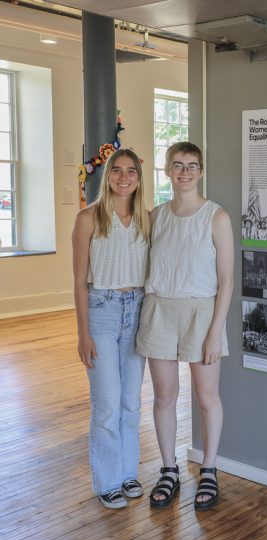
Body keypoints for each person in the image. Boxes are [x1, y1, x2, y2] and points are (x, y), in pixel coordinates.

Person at [136, 142, 234, 511]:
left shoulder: (216, 217)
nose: (185, 172)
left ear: (201, 170)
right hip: (159, 310)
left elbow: (227, 281)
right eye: (178, 165)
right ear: (168, 170)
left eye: (192, 165)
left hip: (201, 313)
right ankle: (169, 469)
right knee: (164, 397)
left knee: (207, 398)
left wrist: (215, 332)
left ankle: (209, 469)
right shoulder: (156, 216)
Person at [72, 149, 150, 509]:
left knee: (131, 402)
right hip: (101, 311)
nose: (124, 177)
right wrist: (82, 333)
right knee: (106, 404)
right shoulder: (88, 218)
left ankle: (128, 472)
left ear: (138, 178)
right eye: (117, 170)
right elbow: (78, 281)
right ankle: (107, 481)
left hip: (137, 310)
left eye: (131, 171)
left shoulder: (147, 219)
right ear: (108, 176)